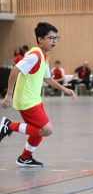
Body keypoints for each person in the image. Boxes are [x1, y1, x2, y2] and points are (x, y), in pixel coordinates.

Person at [0, 22, 75, 167]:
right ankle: (9, 126)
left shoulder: (44, 56)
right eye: (51, 38)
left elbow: (47, 78)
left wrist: (64, 89)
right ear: (41, 39)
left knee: (39, 131)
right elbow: (15, 70)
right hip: (26, 100)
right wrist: (9, 94)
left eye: (56, 38)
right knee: (47, 130)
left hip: (35, 99)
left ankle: (25, 158)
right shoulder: (35, 55)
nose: (54, 41)